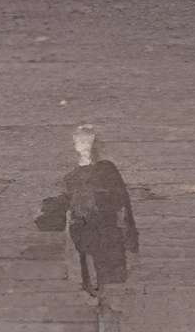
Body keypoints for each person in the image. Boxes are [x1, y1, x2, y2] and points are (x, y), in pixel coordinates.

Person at [57, 124, 139, 317]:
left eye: (88, 140)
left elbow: (123, 202)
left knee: (112, 285)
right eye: (80, 140)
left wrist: (129, 233)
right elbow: (68, 209)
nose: (84, 144)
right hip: (83, 236)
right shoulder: (71, 177)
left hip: (107, 232)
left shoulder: (107, 169)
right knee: (92, 285)